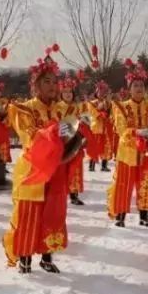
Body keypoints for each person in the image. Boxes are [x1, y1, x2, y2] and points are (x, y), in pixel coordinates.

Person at [3, 54, 79, 274]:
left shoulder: (64, 110)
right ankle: (24, 259)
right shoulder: (24, 109)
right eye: (47, 81)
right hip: (32, 169)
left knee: (53, 214)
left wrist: (73, 136)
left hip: (56, 169)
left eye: (55, 82)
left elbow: (71, 137)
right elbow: (29, 137)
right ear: (35, 86)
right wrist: (54, 132)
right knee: (29, 214)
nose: (53, 86)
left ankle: (47, 256)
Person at [108, 59, 148, 228]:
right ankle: (120, 215)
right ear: (129, 89)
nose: (139, 88)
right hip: (128, 153)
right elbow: (121, 129)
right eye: (135, 85)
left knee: (146, 183)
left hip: (146, 153)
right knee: (124, 184)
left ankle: (144, 216)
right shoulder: (122, 107)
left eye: (141, 86)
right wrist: (136, 132)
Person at [58, 75, 86, 206]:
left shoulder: (78, 107)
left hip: (75, 139)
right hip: (62, 140)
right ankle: (61, 192)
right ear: (61, 93)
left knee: (75, 168)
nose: (68, 94)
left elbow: (85, 121)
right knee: (62, 168)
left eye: (70, 92)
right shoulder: (57, 106)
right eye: (65, 92)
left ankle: (74, 195)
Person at [83, 81, 112, 172]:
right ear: (96, 92)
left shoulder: (107, 103)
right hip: (95, 128)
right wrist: (100, 114)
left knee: (106, 147)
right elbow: (92, 112)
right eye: (100, 91)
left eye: (103, 92)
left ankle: (104, 165)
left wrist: (107, 113)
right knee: (94, 147)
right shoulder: (92, 103)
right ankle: (91, 165)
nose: (102, 93)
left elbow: (110, 112)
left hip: (105, 128)